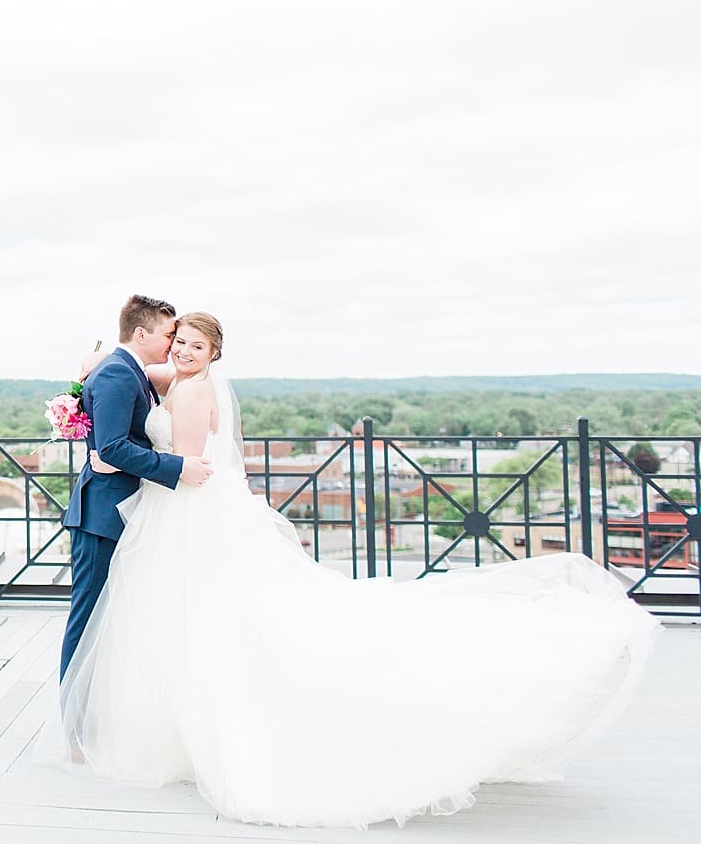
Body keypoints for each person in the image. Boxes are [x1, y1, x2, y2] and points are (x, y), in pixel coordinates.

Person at [55, 312, 662, 828]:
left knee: (201, 619)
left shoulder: (189, 390)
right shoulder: (187, 377)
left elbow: (186, 465)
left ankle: (193, 727)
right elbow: (133, 374)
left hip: (187, 513)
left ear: (213, 354)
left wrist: (118, 459)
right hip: (193, 511)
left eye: (194, 345)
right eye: (177, 341)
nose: (181, 351)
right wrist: (90, 371)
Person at [59, 295, 214, 681]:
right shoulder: (118, 372)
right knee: (88, 619)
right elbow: (112, 446)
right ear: (142, 333)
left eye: (188, 341)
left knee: (111, 621)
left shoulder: (135, 371)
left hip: (129, 512)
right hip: (103, 516)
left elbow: (121, 442)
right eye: (170, 335)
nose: (174, 344)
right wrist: (177, 467)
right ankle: (75, 722)